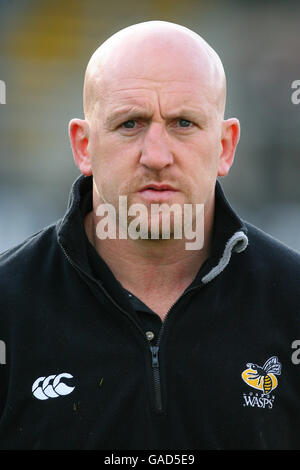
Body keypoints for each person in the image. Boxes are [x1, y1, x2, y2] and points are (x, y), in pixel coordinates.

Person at [0, 20, 299, 451]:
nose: (156, 156)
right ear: (84, 145)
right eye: (130, 124)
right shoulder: (9, 309)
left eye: (183, 123)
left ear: (225, 146)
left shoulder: (292, 303)